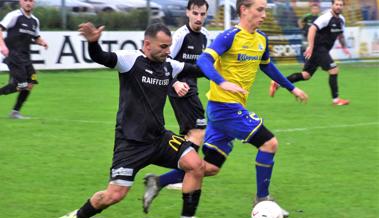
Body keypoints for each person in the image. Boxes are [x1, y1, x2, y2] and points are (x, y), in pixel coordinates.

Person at [143, 0, 309, 217]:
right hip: (224, 108)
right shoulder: (230, 36)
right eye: (259, 10)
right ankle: (262, 199)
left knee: (209, 168)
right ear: (244, 10)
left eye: (265, 10)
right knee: (269, 144)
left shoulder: (261, 39)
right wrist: (222, 82)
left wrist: (291, 88)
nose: (264, 15)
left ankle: (158, 181)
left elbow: (267, 65)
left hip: (228, 110)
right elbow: (203, 61)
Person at [60, 22, 206, 218]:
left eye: (169, 46)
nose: (168, 51)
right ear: (147, 45)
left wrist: (221, 66)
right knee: (113, 195)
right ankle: (77, 216)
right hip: (131, 143)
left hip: (159, 139)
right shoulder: (130, 60)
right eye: (163, 47)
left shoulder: (169, 65)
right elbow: (102, 57)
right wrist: (93, 43)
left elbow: (195, 70)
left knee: (197, 166)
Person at [143, 0, 209, 195]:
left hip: (192, 87)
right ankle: (183, 174)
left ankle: (167, 178)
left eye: (202, 14)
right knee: (198, 131)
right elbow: (164, 61)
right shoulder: (180, 36)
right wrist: (175, 83)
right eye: (195, 13)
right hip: (179, 88)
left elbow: (203, 64)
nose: (199, 18)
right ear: (188, 13)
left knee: (190, 134)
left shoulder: (205, 36)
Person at [270, 0, 350, 106]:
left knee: (306, 75)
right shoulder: (326, 17)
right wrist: (311, 47)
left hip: (322, 50)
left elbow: (340, 35)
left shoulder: (341, 20)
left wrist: (344, 47)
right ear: (332, 5)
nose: (338, 6)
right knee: (334, 70)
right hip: (318, 48)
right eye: (336, 4)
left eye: (340, 5)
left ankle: (278, 83)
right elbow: (312, 29)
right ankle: (336, 100)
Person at [0, 0, 48, 119]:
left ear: (34, 3)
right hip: (13, 55)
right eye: (25, 0)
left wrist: (42, 42)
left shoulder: (35, 21)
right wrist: (2, 46)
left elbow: (36, 37)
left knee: (31, 82)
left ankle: (15, 112)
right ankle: (15, 112)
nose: (28, 3)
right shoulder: (14, 15)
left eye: (31, 1)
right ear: (21, 2)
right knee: (21, 84)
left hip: (26, 58)